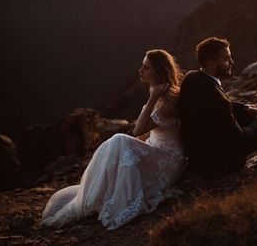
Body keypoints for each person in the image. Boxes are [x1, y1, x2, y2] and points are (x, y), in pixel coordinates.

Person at [41, 50, 186, 230]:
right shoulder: (158, 93)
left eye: (146, 67)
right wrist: (135, 147)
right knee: (118, 145)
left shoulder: (167, 101)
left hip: (168, 159)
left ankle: (100, 199)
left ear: (157, 71)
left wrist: (151, 100)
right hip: (157, 150)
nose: (140, 70)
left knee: (119, 140)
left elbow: (137, 130)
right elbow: (147, 134)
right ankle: (99, 197)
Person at [179, 37, 257, 177]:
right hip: (217, 164)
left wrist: (244, 107)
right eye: (226, 59)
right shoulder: (218, 100)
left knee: (247, 117)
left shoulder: (191, 77)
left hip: (199, 154)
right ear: (211, 64)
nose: (232, 62)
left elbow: (212, 106)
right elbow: (239, 141)